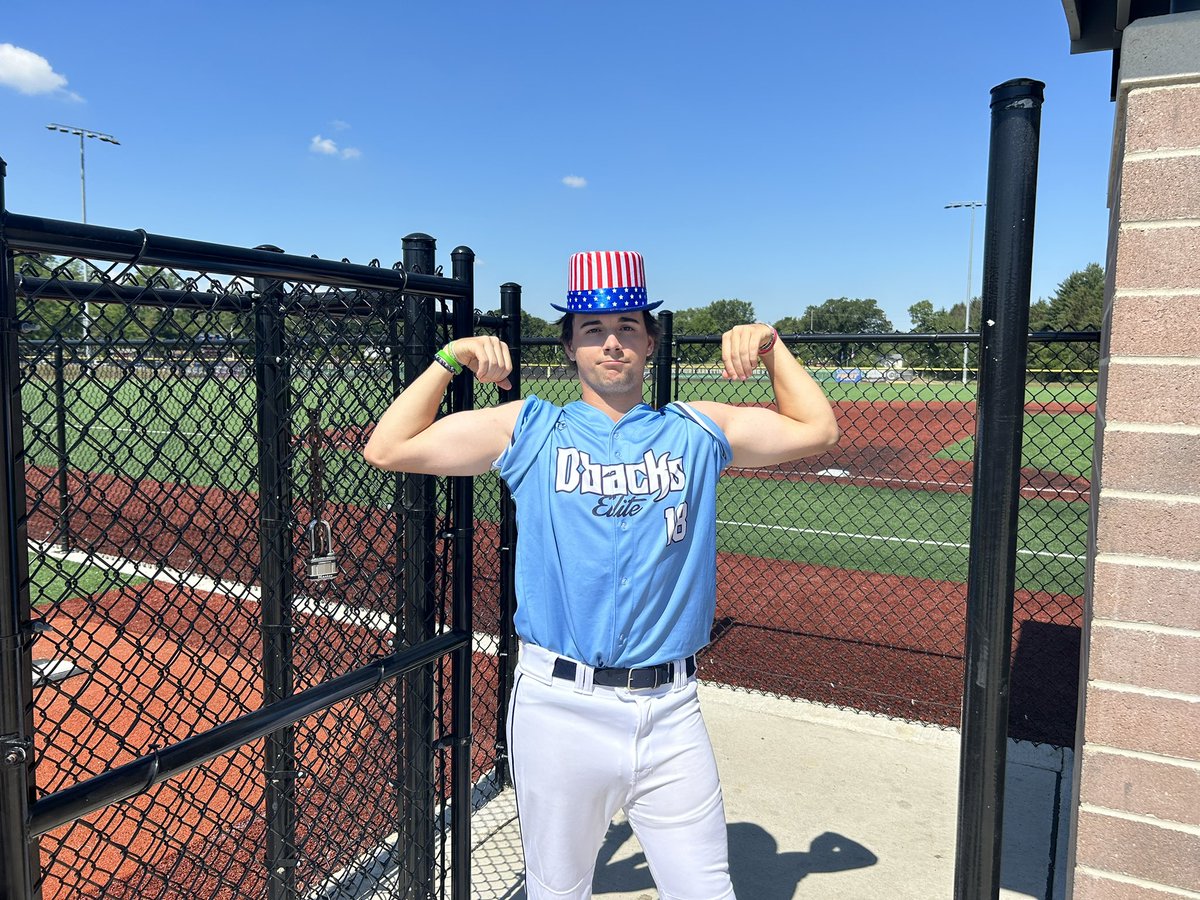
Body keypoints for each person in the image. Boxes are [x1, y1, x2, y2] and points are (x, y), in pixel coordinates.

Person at [363, 250, 839, 900]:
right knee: (558, 890)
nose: (611, 342)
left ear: (649, 342)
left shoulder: (696, 429)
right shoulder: (531, 427)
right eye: (593, 329)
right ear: (570, 347)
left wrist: (771, 345)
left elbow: (818, 429)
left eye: (626, 327)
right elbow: (388, 447)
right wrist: (451, 358)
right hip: (560, 708)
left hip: (671, 709)